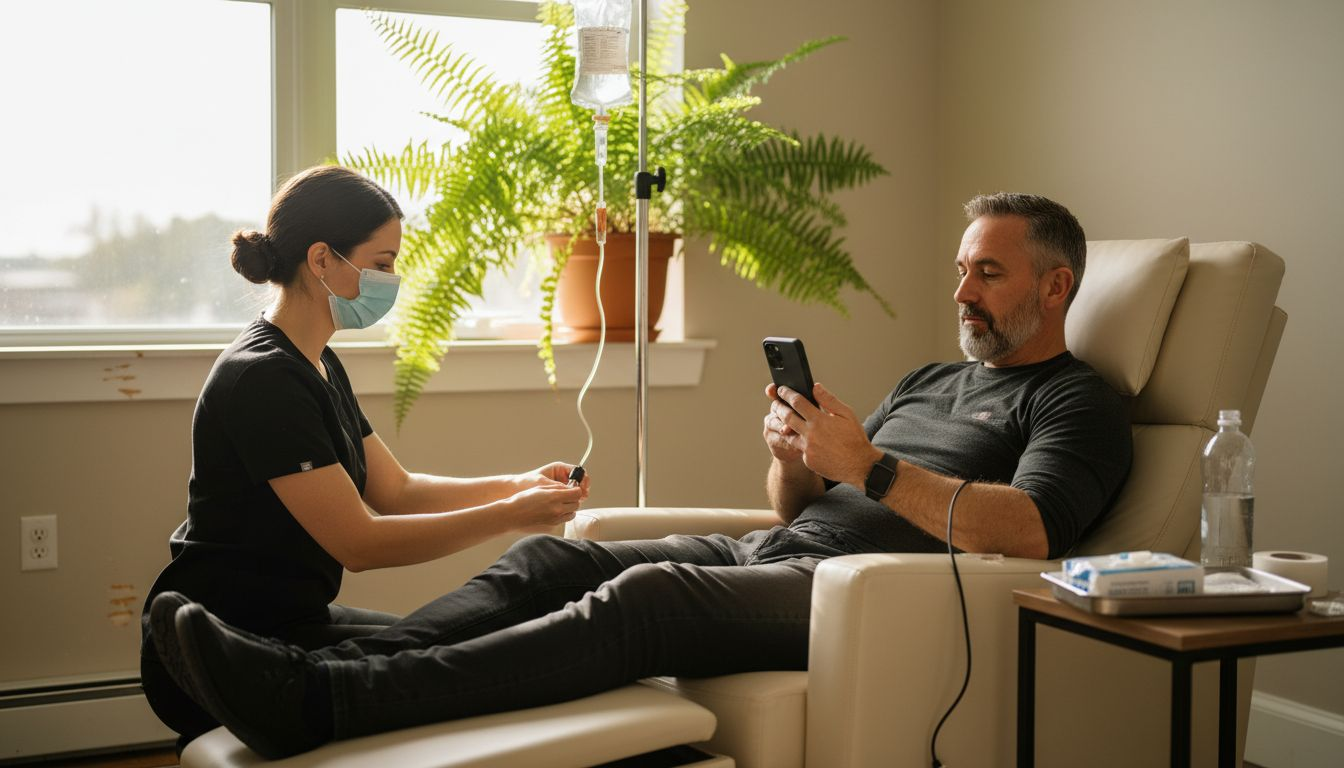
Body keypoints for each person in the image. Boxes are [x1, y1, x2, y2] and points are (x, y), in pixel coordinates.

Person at [149, 193, 1132, 759]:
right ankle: (323, 675)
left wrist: (868, 466)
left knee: (650, 597)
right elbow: (804, 504)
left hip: (862, 592)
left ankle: (326, 704)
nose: (962, 290)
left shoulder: (1077, 401)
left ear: (1056, 286)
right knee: (554, 560)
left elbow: (1031, 531)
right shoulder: (929, 379)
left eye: (989, 273)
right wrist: (799, 458)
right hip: (783, 550)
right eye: (961, 269)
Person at [140, 165, 590, 750]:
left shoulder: (318, 362)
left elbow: (397, 491)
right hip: (224, 644)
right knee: (450, 662)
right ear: (321, 259)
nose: (392, 280)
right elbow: (360, 543)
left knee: (459, 646)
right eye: (381, 263)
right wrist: (512, 516)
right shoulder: (263, 380)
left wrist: (518, 485)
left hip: (295, 620)